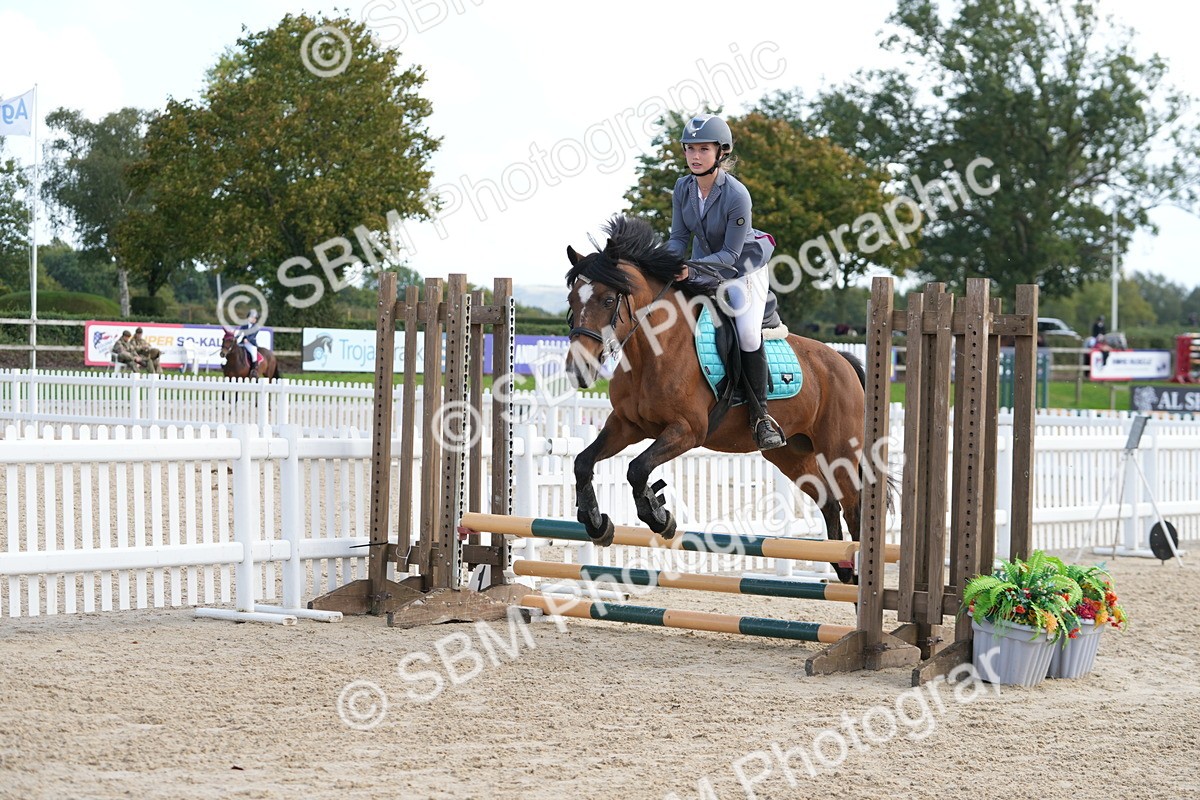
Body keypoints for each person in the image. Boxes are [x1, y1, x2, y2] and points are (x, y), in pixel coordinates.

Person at [667, 113, 786, 450]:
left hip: (743, 267)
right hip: (701, 265)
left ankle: (761, 416)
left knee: (747, 333)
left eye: (703, 149)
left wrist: (690, 270)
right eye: (689, 148)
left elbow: (731, 257)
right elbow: (678, 238)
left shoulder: (737, 195)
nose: (694, 155)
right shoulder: (683, 187)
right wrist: (665, 262)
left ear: (721, 152)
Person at [236, 309, 263, 378]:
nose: (254, 319)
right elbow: (239, 333)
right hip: (243, 343)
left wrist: (247, 339)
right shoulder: (244, 325)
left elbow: (253, 335)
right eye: (252, 317)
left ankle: (254, 370)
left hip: (251, 344)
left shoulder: (256, 327)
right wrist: (235, 338)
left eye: (255, 318)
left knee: (254, 355)